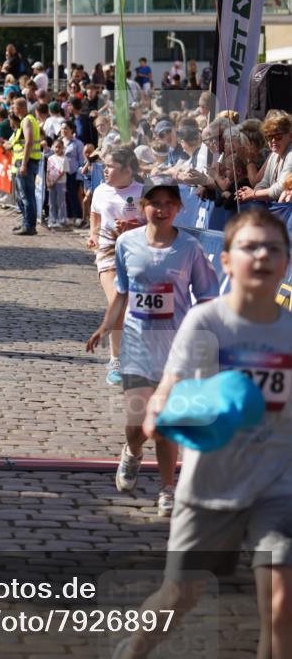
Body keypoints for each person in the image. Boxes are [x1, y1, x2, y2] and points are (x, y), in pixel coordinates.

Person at [92, 208, 292, 659]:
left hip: (277, 487)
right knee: (179, 597)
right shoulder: (207, 322)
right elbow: (165, 397)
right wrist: (181, 412)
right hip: (212, 485)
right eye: (250, 246)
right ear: (225, 259)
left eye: (274, 247)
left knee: (281, 607)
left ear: (287, 262)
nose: (263, 255)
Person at [86, 177, 219, 515]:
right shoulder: (127, 243)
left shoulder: (190, 248)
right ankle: (131, 452)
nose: (160, 209)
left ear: (179, 208)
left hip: (175, 346)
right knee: (136, 423)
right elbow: (122, 292)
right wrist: (105, 325)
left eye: (168, 203)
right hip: (137, 343)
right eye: (154, 203)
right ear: (143, 206)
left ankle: (167, 489)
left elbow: (206, 297)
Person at [88, 146, 144, 384]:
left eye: (110, 166)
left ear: (128, 169)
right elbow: (95, 216)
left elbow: (157, 225)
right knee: (117, 302)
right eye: (104, 166)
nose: (105, 170)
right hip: (108, 254)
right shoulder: (101, 190)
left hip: (139, 256)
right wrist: (92, 235)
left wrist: (133, 227)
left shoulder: (143, 191)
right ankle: (116, 361)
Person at [236, 110, 292, 204]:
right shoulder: (274, 155)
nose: (273, 140)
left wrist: (253, 194)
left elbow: (280, 188)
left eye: (278, 136)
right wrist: (250, 193)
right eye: (269, 137)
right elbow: (264, 183)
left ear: (290, 136)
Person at [5, 97, 42, 236]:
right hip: (27, 162)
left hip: (27, 162)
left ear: (19, 107)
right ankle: (26, 223)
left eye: (13, 107)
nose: (12, 110)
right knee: (23, 196)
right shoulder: (27, 120)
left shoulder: (27, 120)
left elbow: (29, 142)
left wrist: (24, 164)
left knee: (27, 196)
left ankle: (29, 226)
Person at [46, 138, 69, 229]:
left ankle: (61, 219)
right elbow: (48, 171)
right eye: (56, 147)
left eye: (59, 147)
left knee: (61, 201)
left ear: (63, 148)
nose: (57, 149)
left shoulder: (64, 159)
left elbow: (62, 172)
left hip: (60, 183)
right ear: (53, 147)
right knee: (51, 202)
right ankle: (52, 219)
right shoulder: (50, 158)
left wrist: (53, 181)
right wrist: (48, 182)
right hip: (51, 183)